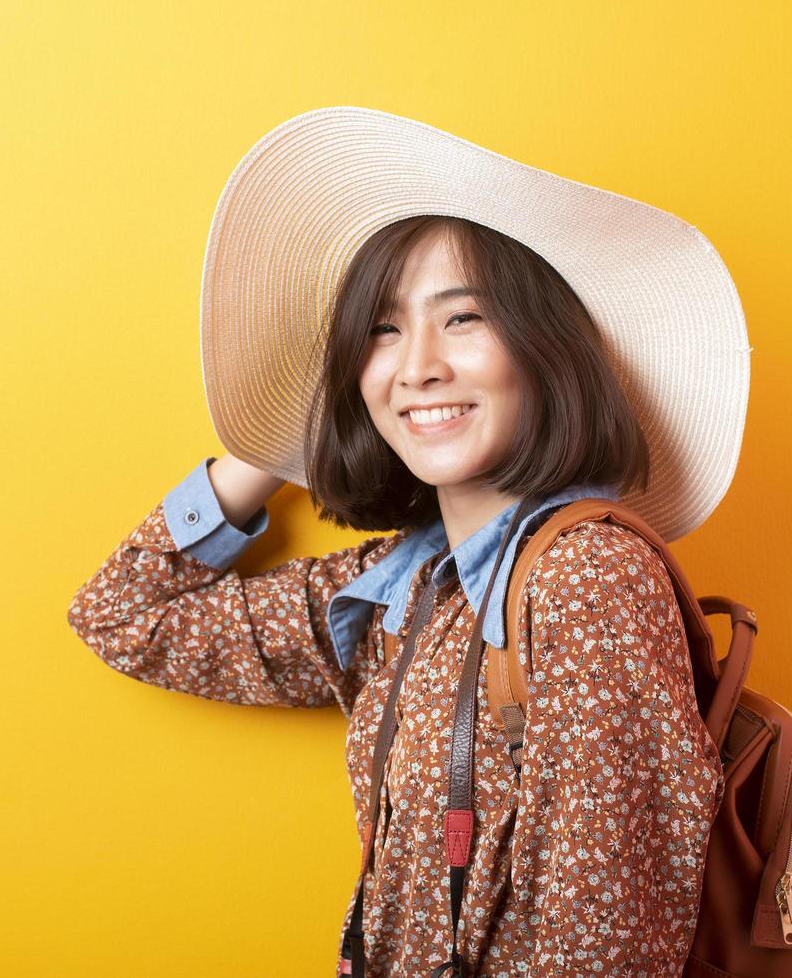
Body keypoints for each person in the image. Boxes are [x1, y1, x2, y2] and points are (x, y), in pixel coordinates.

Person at [70, 106, 750, 976]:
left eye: (462, 318)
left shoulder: (589, 579)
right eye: (382, 330)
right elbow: (124, 613)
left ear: (547, 351)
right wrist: (278, 438)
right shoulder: (402, 589)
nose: (417, 364)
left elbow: (603, 946)